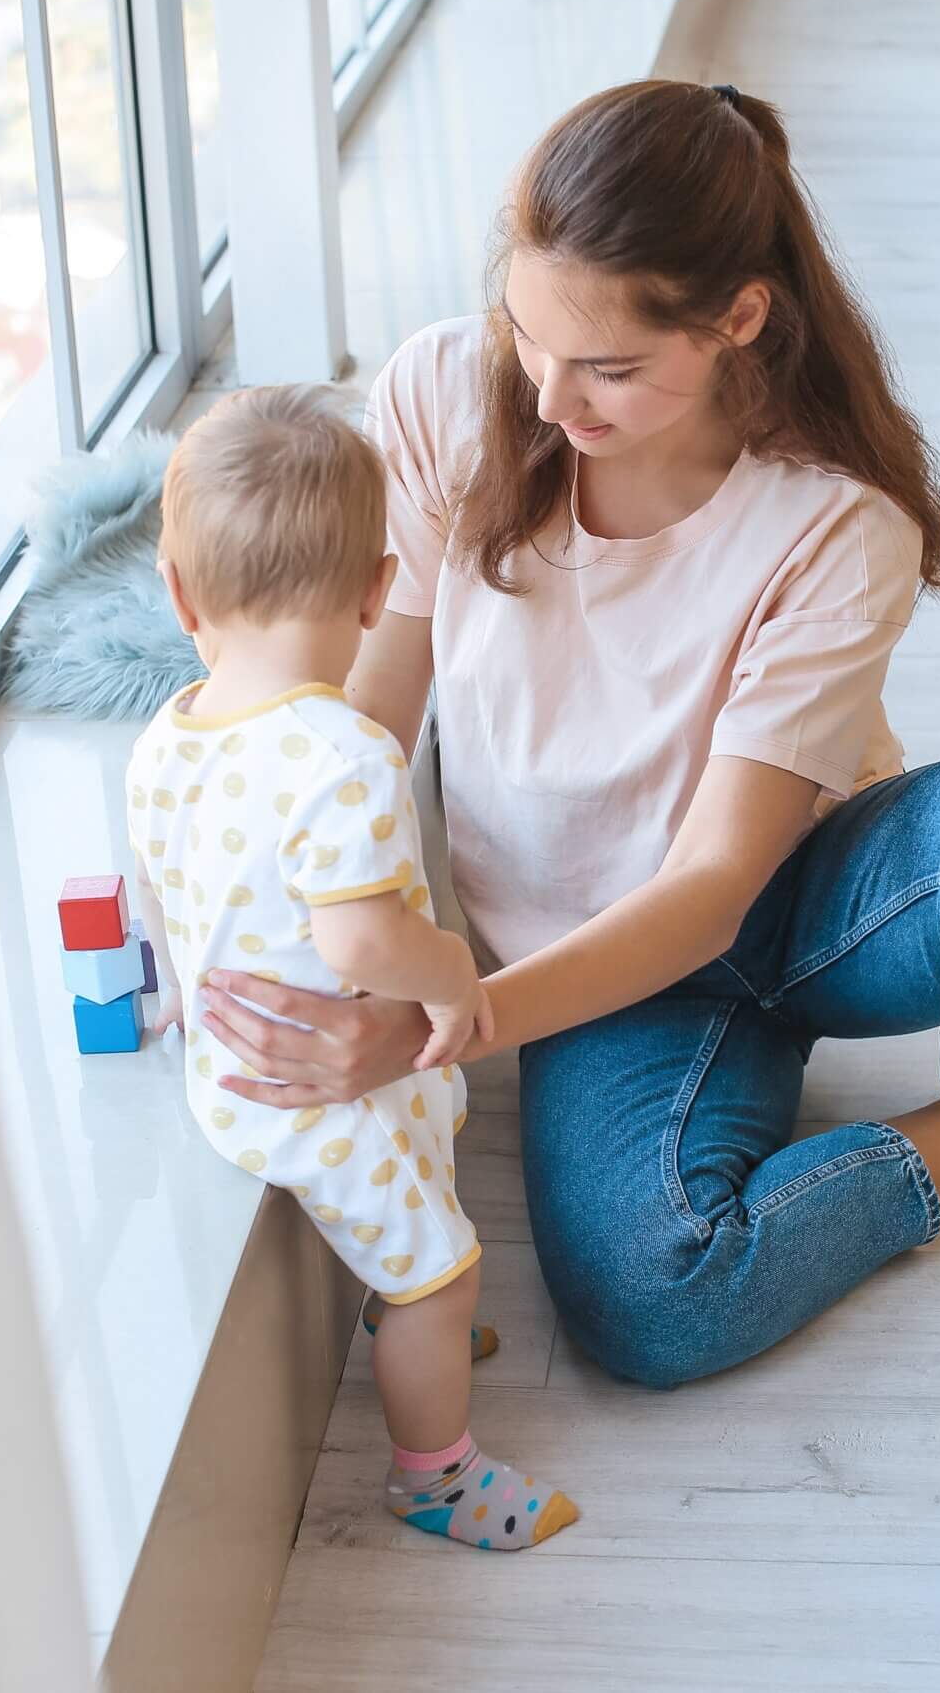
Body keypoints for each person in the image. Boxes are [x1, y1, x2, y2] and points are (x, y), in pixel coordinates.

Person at [192, 82, 940, 1687]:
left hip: (791, 897)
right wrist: (308, 938)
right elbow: (378, 719)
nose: (554, 396)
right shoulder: (443, 394)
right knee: (651, 1302)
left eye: (612, 366)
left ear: (738, 321)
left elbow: (717, 888)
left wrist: (453, 1024)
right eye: (530, 333)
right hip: (597, 967)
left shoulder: (838, 521)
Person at [124, 385, 576, 1552]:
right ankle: (434, 1473)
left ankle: (405, 1322)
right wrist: (451, 975)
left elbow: (161, 879)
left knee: (421, 1159)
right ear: (381, 592)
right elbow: (360, 941)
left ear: (177, 594)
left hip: (238, 1071)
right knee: (443, 1273)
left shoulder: (171, 732)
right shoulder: (344, 752)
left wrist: (182, 991)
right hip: (317, 1099)